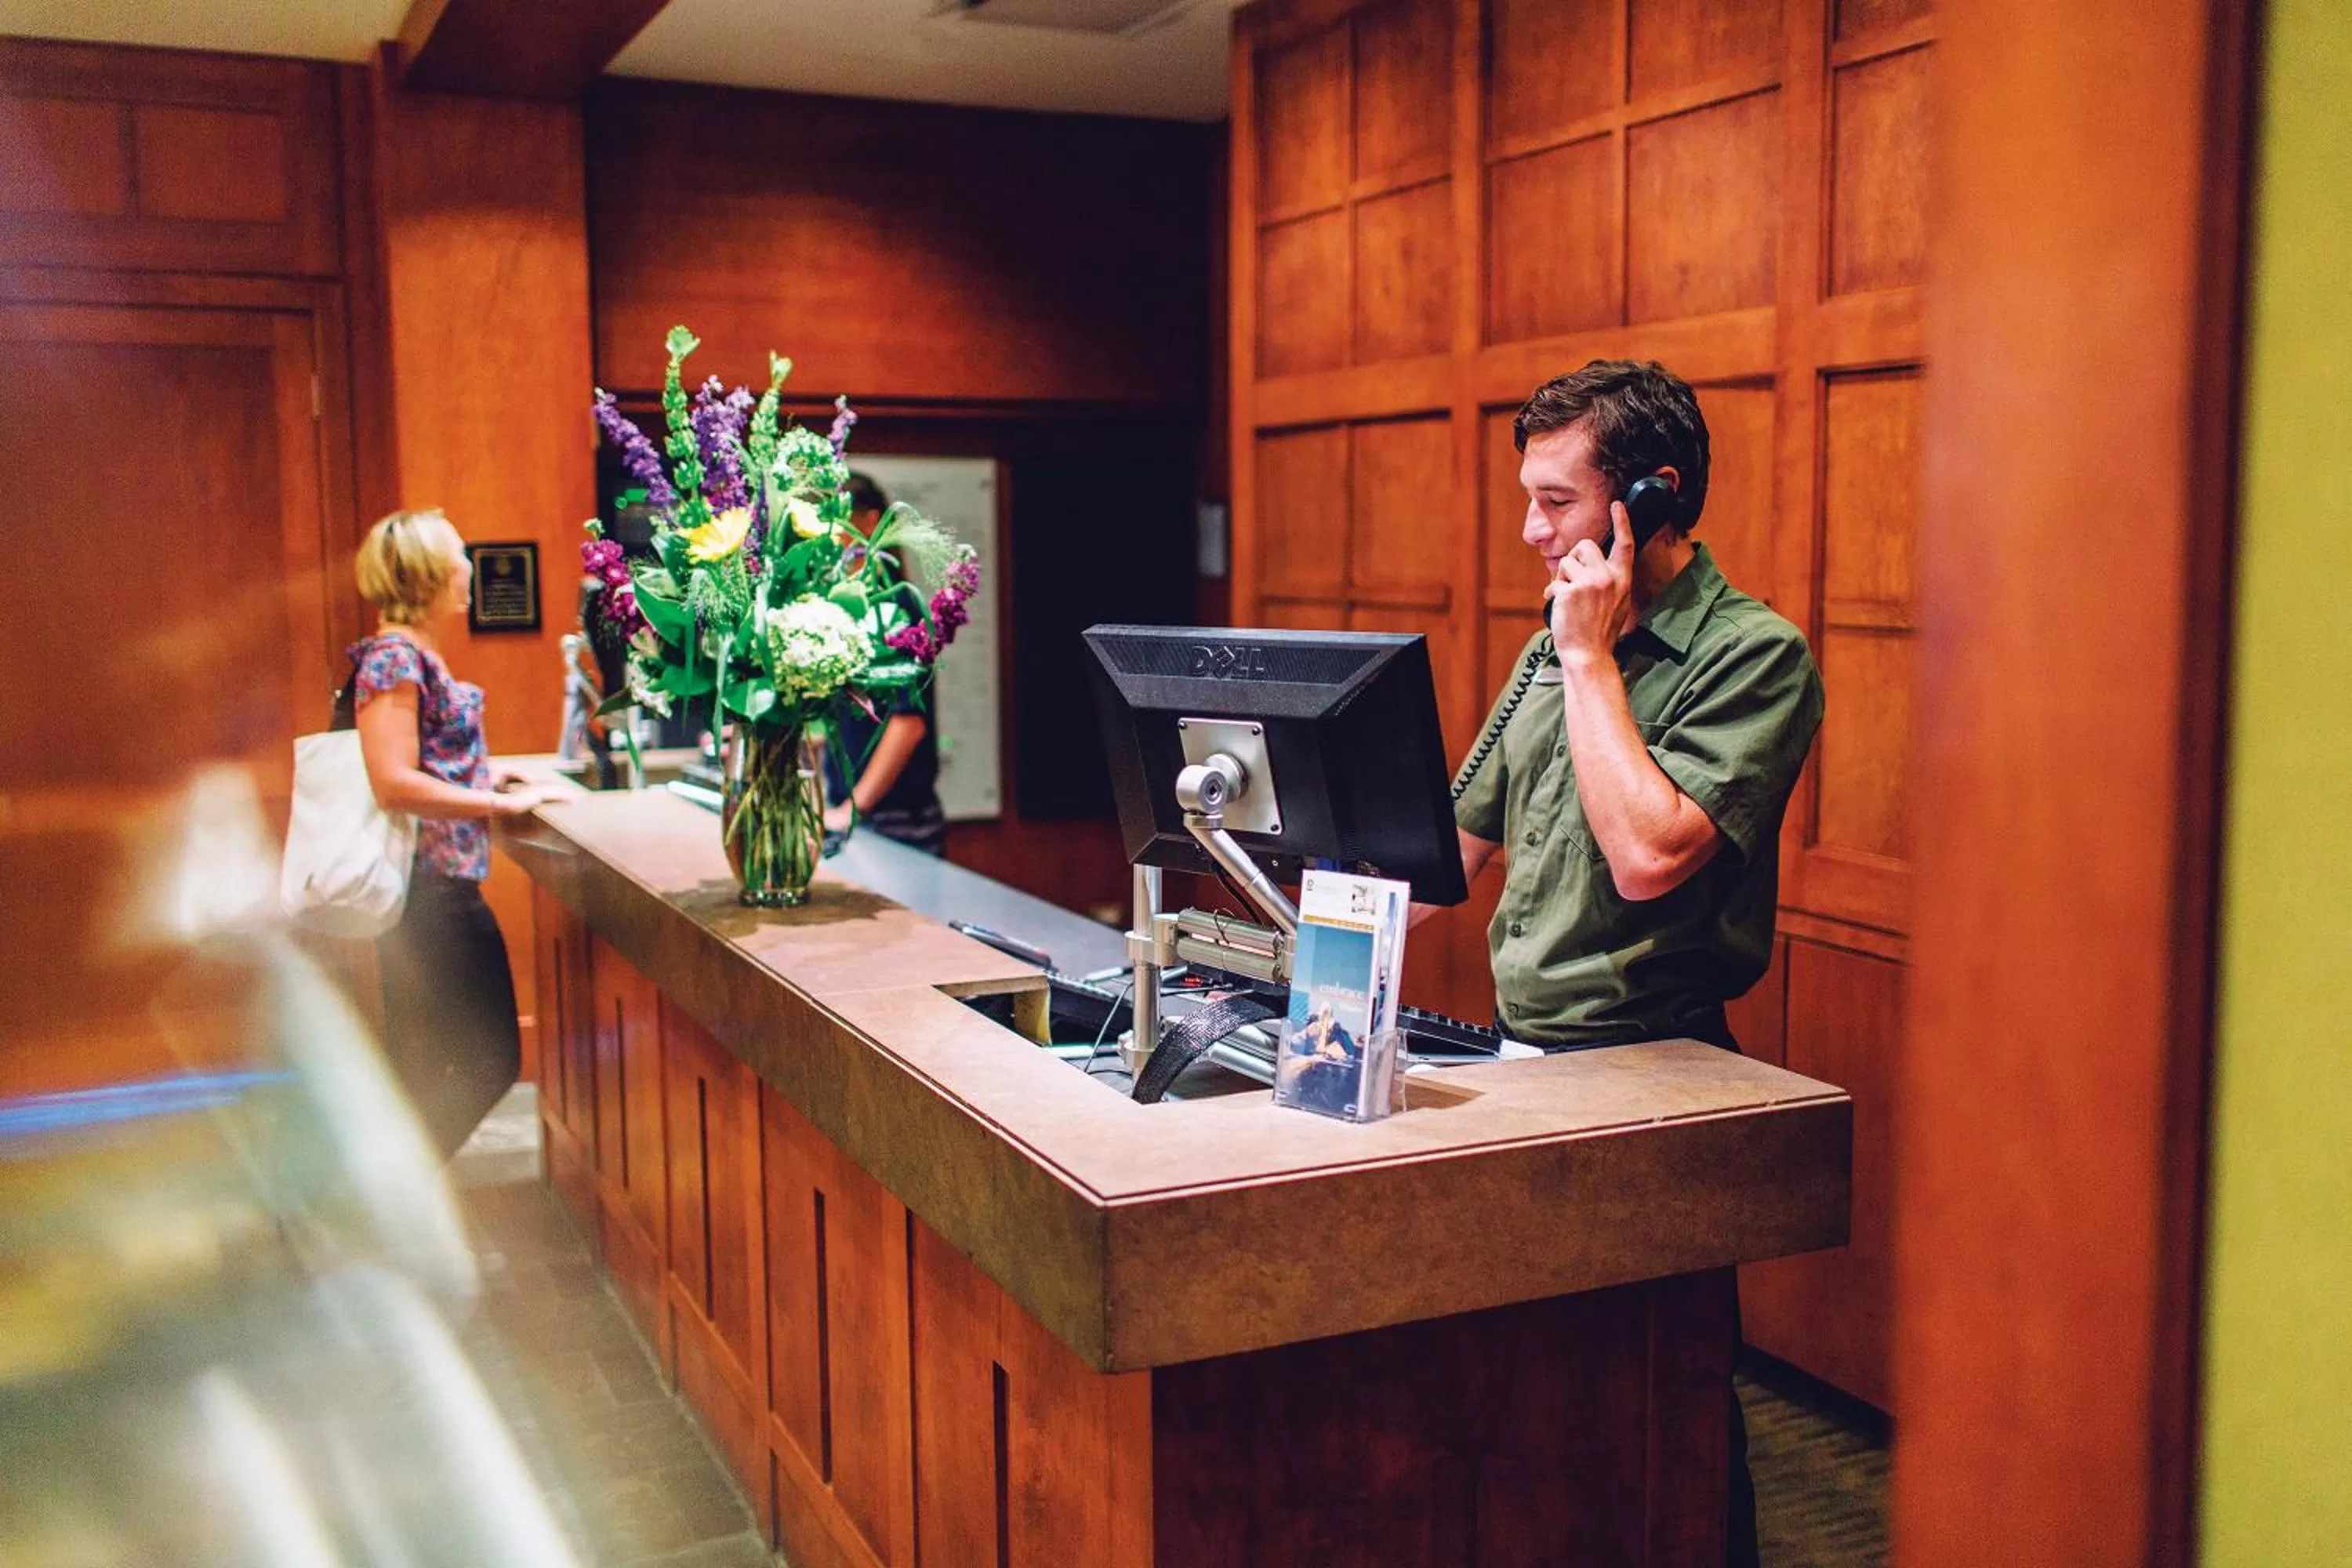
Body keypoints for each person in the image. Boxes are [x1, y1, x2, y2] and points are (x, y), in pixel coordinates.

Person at [1443, 361, 1825, 1568]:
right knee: (1539, 1396)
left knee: (1666, 1400)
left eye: (1556, 502)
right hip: (1523, 1064)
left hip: (1653, 1075)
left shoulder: (1753, 654)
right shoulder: (1554, 644)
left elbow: (1653, 853)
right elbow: (1447, 848)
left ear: (1648, 501)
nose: (1529, 532)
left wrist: (1593, 663)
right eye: (1527, 499)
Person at [348, 509, 557, 1156]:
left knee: (420, 1065)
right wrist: (491, 805)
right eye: (459, 557)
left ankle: (392, 1207)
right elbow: (394, 779)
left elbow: (428, 759)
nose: (470, 568)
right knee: (488, 1059)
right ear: (431, 575)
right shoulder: (395, 658)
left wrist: (490, 775)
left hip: (433, 889)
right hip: (430, 892)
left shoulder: (409, 657)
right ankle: (397, 1196)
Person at [823, 472, 947, 854]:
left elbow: (908, 723)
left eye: (836, 518)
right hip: (856, 810)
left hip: (895, 820)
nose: (826, 533)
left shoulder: (898, 607)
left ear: (870, 522)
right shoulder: (846, 606)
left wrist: (852, 810)